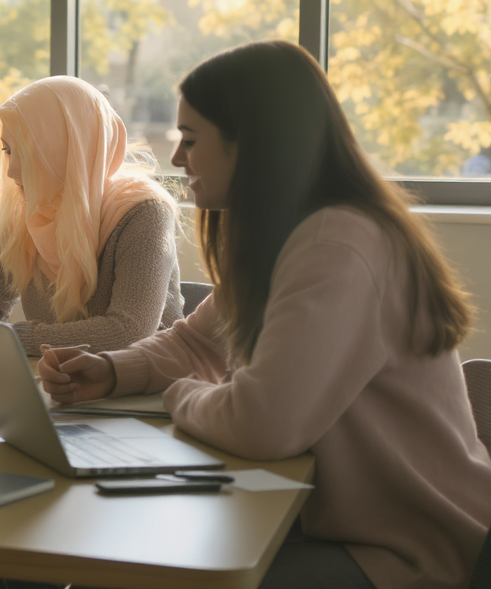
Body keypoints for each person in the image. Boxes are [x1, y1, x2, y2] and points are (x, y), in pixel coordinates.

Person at [37, 41, 491, 589]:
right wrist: (110, 370)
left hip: (407, 551)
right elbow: (196, 344)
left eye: (191, 139)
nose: (178, 158)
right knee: (117, 558)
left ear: (251, 144)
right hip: (324, 522)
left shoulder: (340, 244)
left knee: (137, 570)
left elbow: (262, 423)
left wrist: (182, 394)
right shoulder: (288, 235)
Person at [0, 76, 182, 366]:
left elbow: (128, 332)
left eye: (27, 152)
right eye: (7, 150)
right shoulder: (26, 207)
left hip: (146, 387)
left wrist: (3, 338)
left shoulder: (145, 213)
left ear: (66, 150)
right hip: (59, 381)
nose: (11, 171)